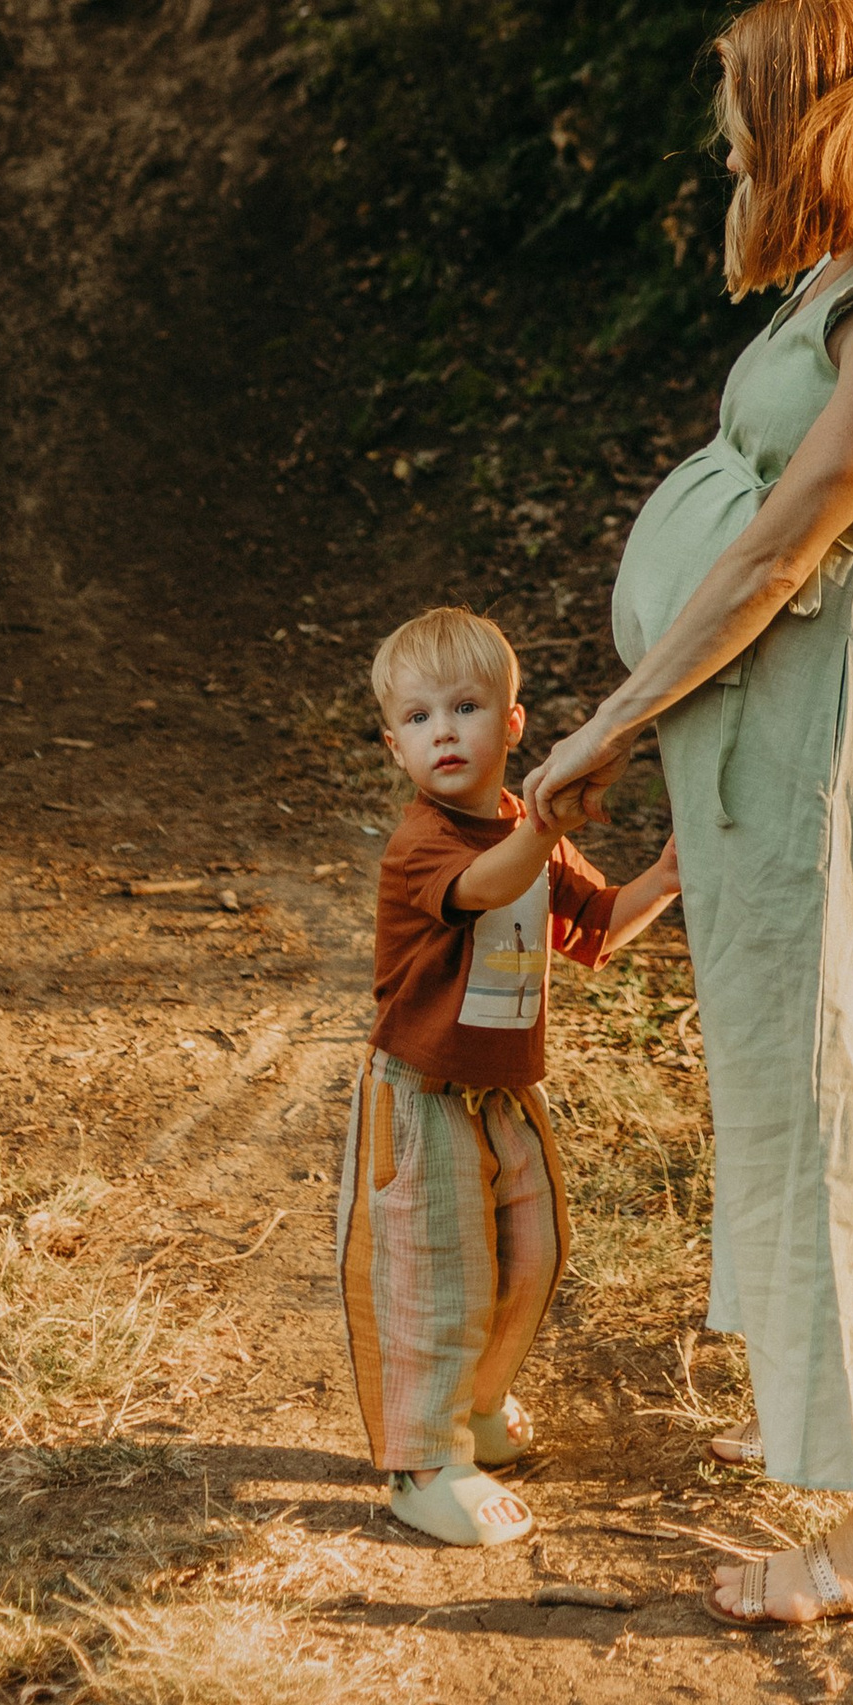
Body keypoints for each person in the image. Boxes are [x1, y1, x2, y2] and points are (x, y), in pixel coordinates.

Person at [523, 0, 853, 1628]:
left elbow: (785, 551)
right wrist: (663, 872)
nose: (733, 156)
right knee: (814, 1090)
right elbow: (761, 631)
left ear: (819, 107)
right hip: (795, 740)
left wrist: (594, 735)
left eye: (746, 123)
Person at [337, 603, 681, 1547]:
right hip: (423, 1092)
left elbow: (597, 927)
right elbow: (485, 886)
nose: (443, 730)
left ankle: (476, 1407)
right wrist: (544, 822)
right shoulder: (427, 842)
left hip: (502, 1091)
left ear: (514, 725)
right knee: (437, 1271)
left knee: (533, 1253)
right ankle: (423, 1460)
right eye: (417, 718)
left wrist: (664, 876)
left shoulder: (530, 833)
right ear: (396, 746)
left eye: (465, 706)